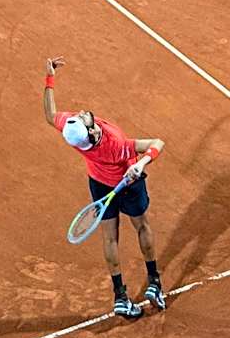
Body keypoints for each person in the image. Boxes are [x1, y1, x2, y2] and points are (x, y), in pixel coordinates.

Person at [43, 56, 166, 319]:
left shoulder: (73, 132)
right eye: (84, 119)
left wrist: (50, 77)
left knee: (110, 237)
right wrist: (141, 162)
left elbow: (50, 115)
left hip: (100, 186)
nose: (82, 114)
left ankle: (120, 296)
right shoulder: (114, 143)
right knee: (142, 226)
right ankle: (154, 282)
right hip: (129, 185)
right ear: (93, 133)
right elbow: (157, 143)